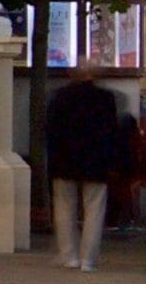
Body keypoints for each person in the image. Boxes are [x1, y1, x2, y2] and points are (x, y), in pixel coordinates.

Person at [46, 65, 136, 270]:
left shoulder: (60, 96)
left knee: (64, 207)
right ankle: (88, 259)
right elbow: (112, 133)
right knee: (95, 210)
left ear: (72, 75)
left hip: (65, 162)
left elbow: (51, 131)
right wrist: (113, 162)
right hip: (96, 164)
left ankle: (69, 255)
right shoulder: (105, 98)